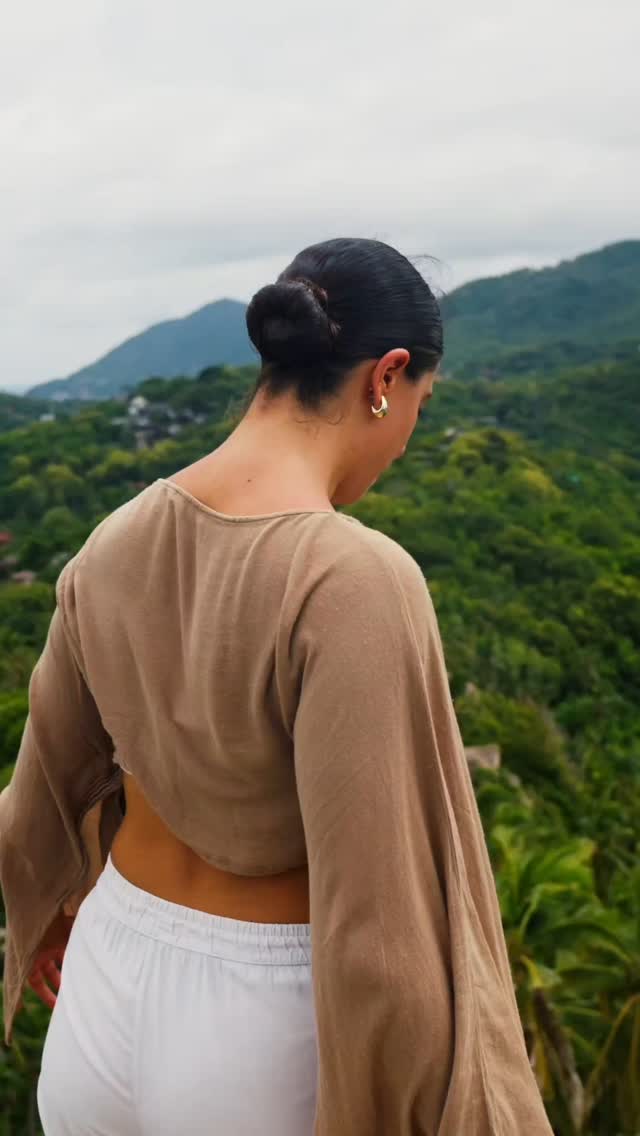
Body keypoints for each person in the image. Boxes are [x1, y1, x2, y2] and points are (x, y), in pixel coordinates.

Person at [0, 237, 553, 1135]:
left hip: (102, 995)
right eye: (419, 404)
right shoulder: (350, 577)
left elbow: (44, 784)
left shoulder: (112, 540)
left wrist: (50, 914)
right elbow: (379, 934)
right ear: (389, 375)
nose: (408, 437)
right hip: (262, 1041)